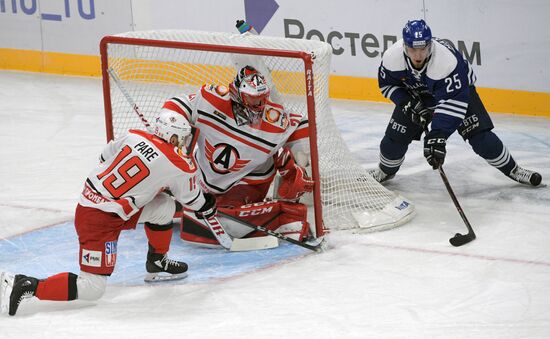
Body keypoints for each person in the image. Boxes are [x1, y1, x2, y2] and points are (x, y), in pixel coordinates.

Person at [0, 110, 224, 316]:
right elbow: (192, 200)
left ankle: (157, 261)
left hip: (96, 205)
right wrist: (209, 205)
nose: (184, 144)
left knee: (163, 206)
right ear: (173, 137)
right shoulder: (180, 164)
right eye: (182, 139)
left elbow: (105, 157)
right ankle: (25, 285)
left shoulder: (134, 135)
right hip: (99, 221)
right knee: (92, 289)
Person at [370, 19, 542, 187]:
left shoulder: (447, 62)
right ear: (405, 47)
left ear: (430, 44)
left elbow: (454, 104)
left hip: (457, 93)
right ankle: (384, 171)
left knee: (482, 138)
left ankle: (514, 170)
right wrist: (406, 103)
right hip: (417, 96)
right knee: (392, 141)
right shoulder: (392, 58)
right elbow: (387, 84)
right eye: (413, 49)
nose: (418, 55)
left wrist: (438, 135)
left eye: (423, 48)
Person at [162, 64, 314, 247]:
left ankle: (284, 216)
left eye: (262, 98)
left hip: (245, 184)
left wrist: (296, 165)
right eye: (252, 98)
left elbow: (303, 126)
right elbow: (178, 105)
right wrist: (171, 128)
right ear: (237, 93)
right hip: (201, 176)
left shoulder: (274, 118)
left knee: (223, 220)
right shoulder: (211, 99)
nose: (259, 105)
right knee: (159, 189)